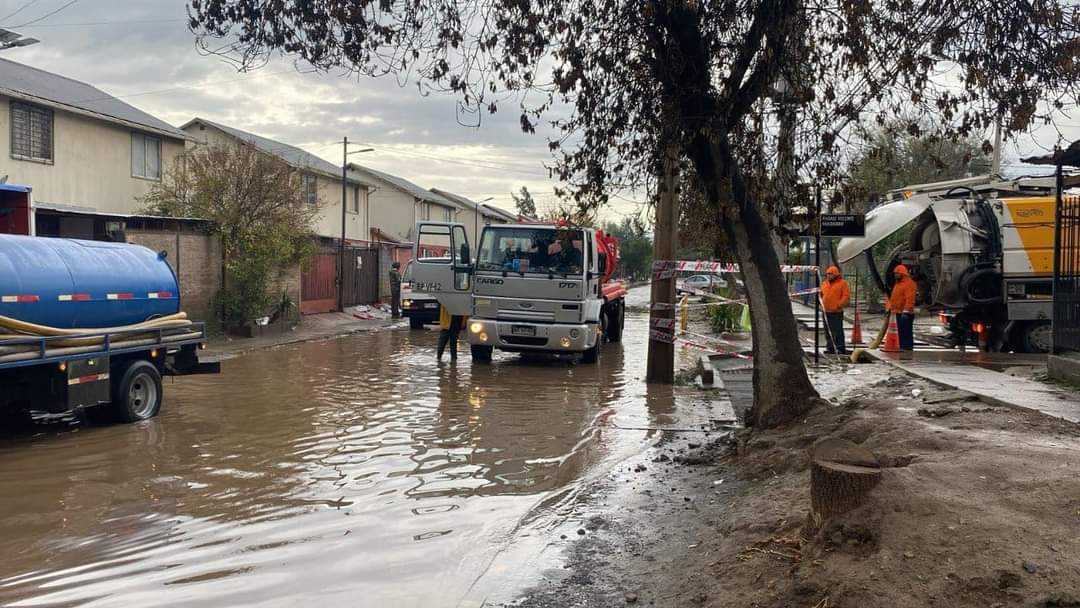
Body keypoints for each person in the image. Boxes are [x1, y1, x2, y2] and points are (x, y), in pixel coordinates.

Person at [820, 265, 850, 354]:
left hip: (836, 312)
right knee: (828, 331)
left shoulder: (842, 283)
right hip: (826, 312)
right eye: (827, 274)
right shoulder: (824, 283)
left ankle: (840, 348)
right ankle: (830, 348)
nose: (828, 276)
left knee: (838, 331)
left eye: (830, 274)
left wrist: (839, 305)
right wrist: (821, 303)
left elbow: (846, 296)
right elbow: (821, 294)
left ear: (836, 275)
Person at [888, 264, 917, 351]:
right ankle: (902, 346)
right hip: (898, 312)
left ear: (902, 273)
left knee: (905, 331)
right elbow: (895, 297)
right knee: (900, 331)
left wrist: (906, 311)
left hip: (905, 313)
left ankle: (906, 347)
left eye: (897, 273)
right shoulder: (898, 283)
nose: (895, 275)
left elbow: (910, 298)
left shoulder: (909, 284)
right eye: (895, 274)